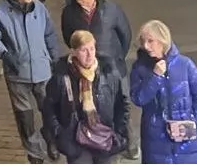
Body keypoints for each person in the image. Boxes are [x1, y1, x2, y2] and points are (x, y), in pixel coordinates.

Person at [0, 0, 65, 164]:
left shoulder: (39, 8)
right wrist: (4, 54)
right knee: (25, 119)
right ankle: (35, 153)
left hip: (43, 71)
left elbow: (50, 34)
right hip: (17, 75)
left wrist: (55, 60)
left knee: (50, 111)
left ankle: (52, 141)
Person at [129, 20, 197, 164]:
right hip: (156, 141)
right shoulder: (140, 68)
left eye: (150, 41)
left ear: (163, 40)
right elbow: (138, 98)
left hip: (186, 142)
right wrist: (155, 77)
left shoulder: (185, 65)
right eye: (143, 42)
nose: (146, 46)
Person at [43, 30, 131, 164]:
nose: (90, 55)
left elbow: (122, 103)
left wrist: (118, 131)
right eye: (84, 50)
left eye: (92, 48)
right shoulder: (62, 76)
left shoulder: (108, 72)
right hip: (76, 142)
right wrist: (60, 134)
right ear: (74, 52)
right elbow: (49, 108)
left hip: (104, 137)